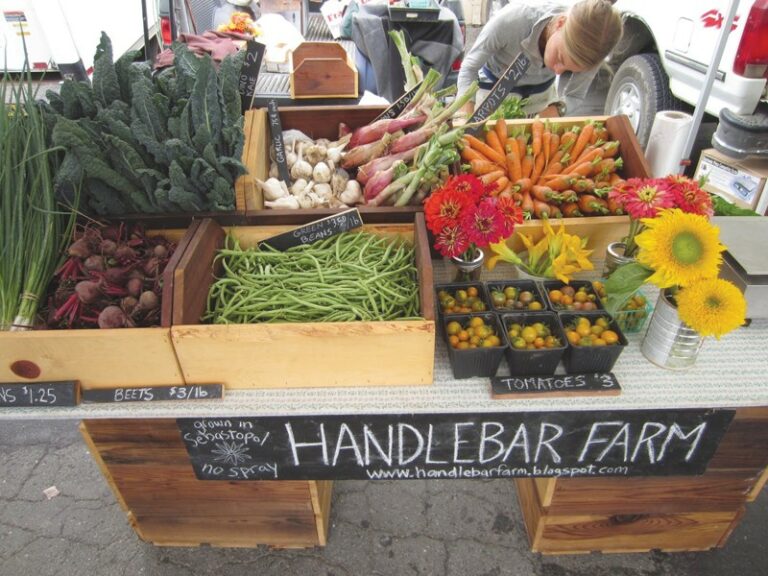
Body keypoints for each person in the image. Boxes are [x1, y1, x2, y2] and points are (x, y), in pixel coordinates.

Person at [456, 0, 622, 119]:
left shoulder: (592, 50)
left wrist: (558, 110)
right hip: (492, 91)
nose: (557, 71)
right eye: (560, 58)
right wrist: (467, 110)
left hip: (541, 96)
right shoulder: (512, 20)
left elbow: (575, 96)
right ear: (560, 23)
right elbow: (469, 69)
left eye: (569, 70)